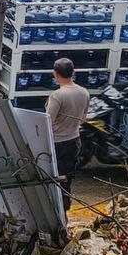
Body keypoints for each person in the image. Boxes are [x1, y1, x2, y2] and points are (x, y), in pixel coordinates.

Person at [46, 58, 90, 209]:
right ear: (73, 73)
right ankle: (64, 208)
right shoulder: (84, 92)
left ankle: (56, 211)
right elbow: (83, 119)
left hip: (57, 144)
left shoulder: (57, 95)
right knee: (66, 180)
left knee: (53, 179)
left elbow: (48, 121)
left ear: (55, 74)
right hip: (74, 141)